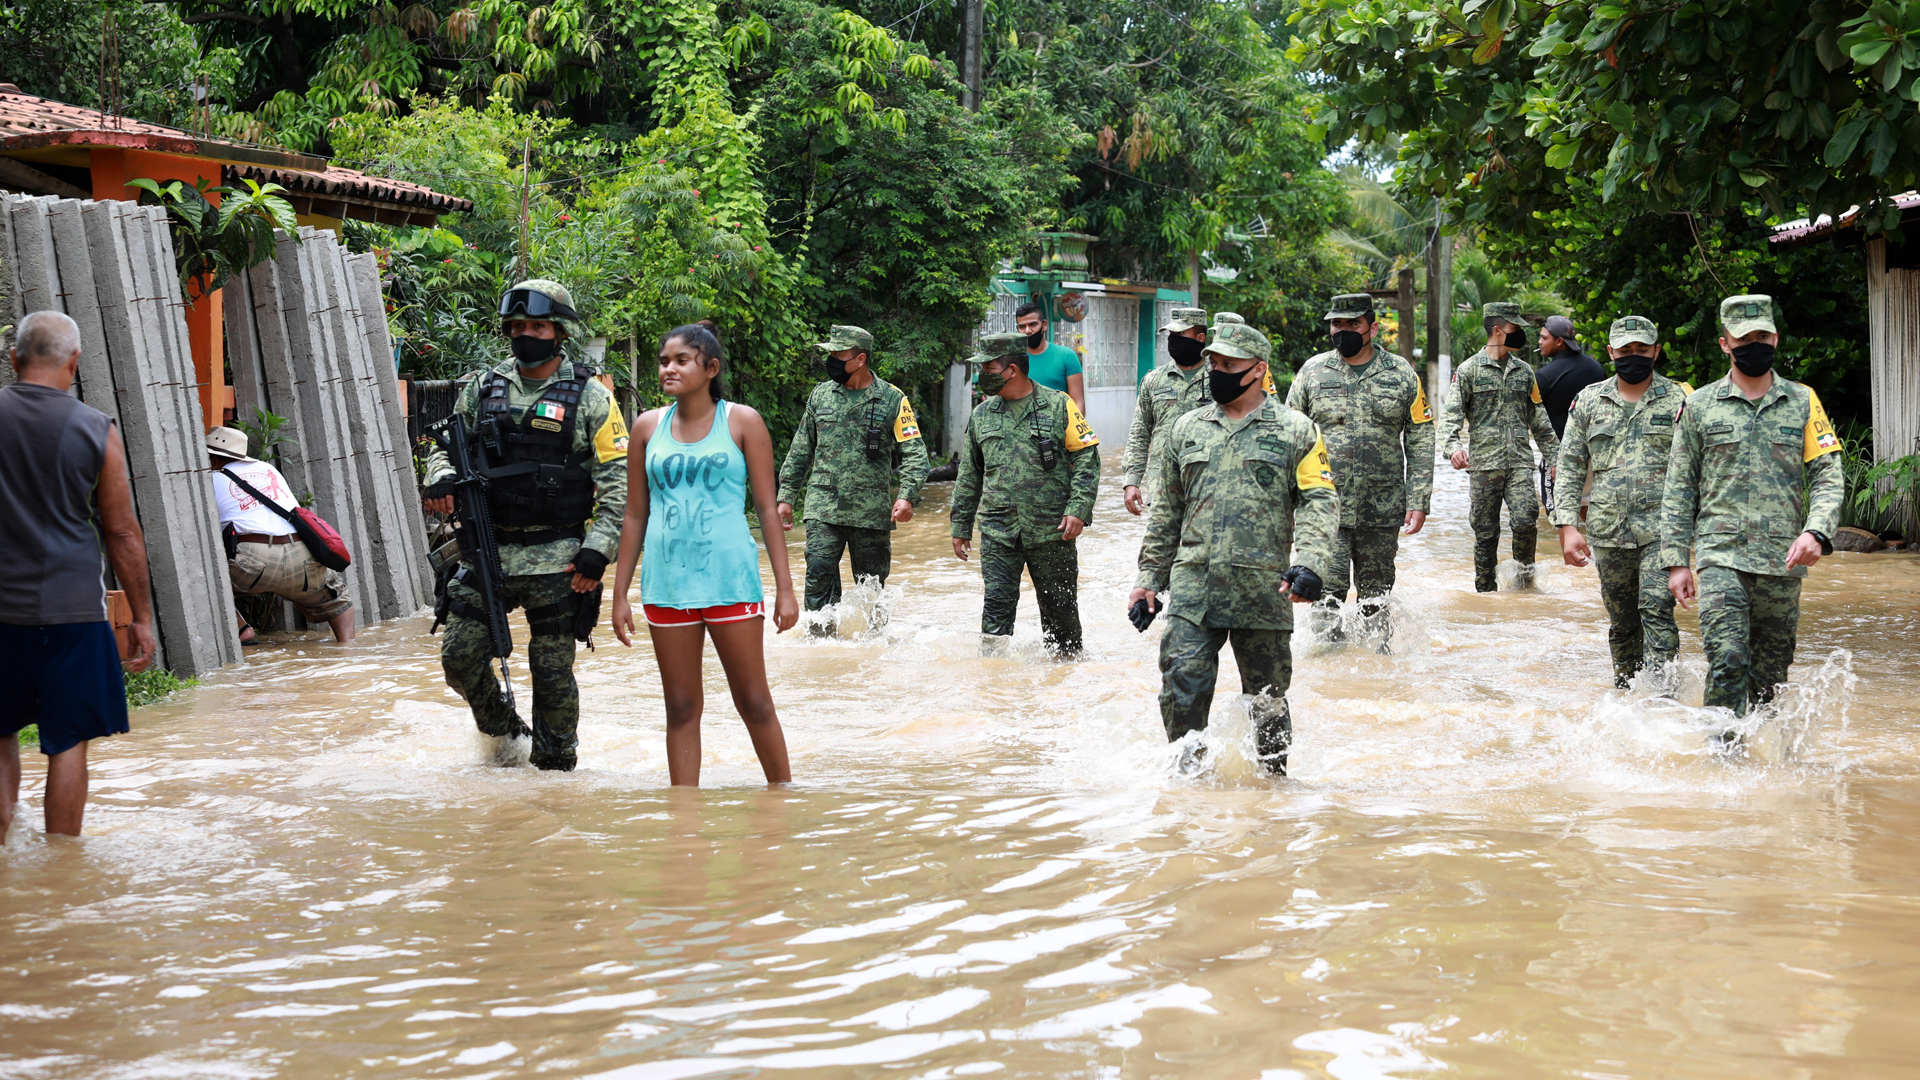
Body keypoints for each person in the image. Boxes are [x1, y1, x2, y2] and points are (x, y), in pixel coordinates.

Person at [422, 280, 627, 772]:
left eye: (537, 326)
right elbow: (443, 447)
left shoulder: (593, 398)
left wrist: (598, 551)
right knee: (459, 657)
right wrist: (441, 475)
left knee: (552, 672)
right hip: (487, 552)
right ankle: (507, 736)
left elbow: (619, 485)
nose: (526, 334)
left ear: (559, 332)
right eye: (517, 327)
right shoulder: (482, 388)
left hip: (559, 559)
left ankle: (555, 773)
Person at [1130, 321, 1338, 775]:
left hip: (1264, 588)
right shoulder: (1185, 430)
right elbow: (1166, 511)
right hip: (1194, 585)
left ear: (1259, 370)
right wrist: (1148, 580)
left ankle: (1273, 789)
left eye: (1229, 365)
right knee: (1181, 683)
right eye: (1214, 363)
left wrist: (1310, 564)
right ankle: (1189, 784)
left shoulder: (1297, 431)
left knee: (1267, 700)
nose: (1217, 372)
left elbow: (1320, 502)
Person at [611, 322, 797, 786]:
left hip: (730, 581)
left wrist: (785, 589)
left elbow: (767, 509)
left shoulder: (742, 422)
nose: (668, 368)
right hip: (667, 584)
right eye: (663, 360)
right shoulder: (646, 427)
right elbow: (635, 515)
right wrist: (619, 595)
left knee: (753, 700)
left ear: (710, 369)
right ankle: (684, 819)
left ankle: (784, 799)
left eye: (681, 360)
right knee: (680, 708)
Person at [0, 310, 156, 841]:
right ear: (74, 361)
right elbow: (123, 534)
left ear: (15, 358)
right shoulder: (96, 429)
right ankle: (62, 877)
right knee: (68, 745)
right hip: (74, 614)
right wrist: (142, 617)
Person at [1662, 295, 1843, 725]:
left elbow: (1828, 475)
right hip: (1719, 555)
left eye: (1762, 336)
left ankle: (1761, 771)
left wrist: (1816, 532)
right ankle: (1722, 762)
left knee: (1770, 677)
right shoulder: (1700, 405)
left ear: (1775, 338)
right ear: (1725, 343)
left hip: (1782, 560)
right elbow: (1679, 488)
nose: (1754, 344)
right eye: (1744, 338)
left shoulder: (1803, 401)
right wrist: (1675, 562)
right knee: (1727, 659)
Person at [1553, 316, 1692, 689]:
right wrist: (1568, 526)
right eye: (1626, 350)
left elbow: (1696, 468)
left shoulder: (1680, 400)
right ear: (1612, 352)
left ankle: (1662, 702)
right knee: (1623, 623)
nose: (1634, 356)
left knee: (1657, 612)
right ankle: (1628, 698)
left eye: (1642, 350)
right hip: (1608, 532)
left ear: (1656, 351)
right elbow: (1568, 466)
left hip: (1662, 530)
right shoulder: (1588, 401)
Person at [1285, 293, 1434, 639]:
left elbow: (1422, 438)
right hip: (1324, 509)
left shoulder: (1402, 374)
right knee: (1325, 600)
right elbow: (1290, 433)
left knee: (1376, 601)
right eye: (1337, 324)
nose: (1343, 331)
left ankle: (1375, 674)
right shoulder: (1312, 372)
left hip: (1381, 510)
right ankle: (1331, 677)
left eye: (1353, 324)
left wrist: (1419, 499)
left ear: (1372, 328)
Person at [951, 331, 1101, 655]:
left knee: (1061, 617)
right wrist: (960, 527)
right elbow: (969, 476)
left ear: (1012, 370)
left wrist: (1078, 508)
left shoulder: (1060, 405)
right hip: (998, 532)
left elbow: (1087, 458)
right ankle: (994, 688)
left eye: (988, 368)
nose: (981, 376)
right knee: (995, 617)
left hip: (1051, 531)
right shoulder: (982, 415)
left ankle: (1063, 691)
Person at [775, 325, 930, 620]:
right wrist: (786, 495)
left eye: (838, 353)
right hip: (823, 506)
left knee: (871, 590)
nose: (831, 358)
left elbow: (914, 453)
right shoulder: (820, 396)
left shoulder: (892, 400)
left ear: (860, 359)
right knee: (818, 575)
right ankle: (821, 649)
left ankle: (871, 657)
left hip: (869, 512)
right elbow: (800, 449)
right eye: (830, 352)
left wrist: (908, 496)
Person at [1441, 301, 1560, 592]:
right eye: (1514, 328)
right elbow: (1450, 418)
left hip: (1520, 462)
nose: (1519, 333)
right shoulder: (1468, 371)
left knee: (1525, 520)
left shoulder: (1525, 372)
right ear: (1497, 330)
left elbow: (1539, 418)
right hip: (1483, 466)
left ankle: (1524, 585)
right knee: (1485, 533)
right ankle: (1486, 593)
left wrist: (1556, 457)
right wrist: (1453, 447)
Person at [207, 426, 355, 643]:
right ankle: (348, 651)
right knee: (338, 598)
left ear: (213, 461)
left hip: (251, 561)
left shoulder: (210, 478)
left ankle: (241, 629)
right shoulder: (268, 468)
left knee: (206, 581)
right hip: (301, 558)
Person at [1122, 307, 1209, 516]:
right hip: (1161, 487)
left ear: (1200, 337)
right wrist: (1132, 481)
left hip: (1209, 487)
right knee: (1160, 548)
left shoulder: (1221, 379)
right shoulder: (1154, 380)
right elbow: (1139, 434)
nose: (1174, 340)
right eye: (1172, 335)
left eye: (1180, 335)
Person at [1013, 302, 1086, 414]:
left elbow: (1078, 403)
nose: (1027, 331)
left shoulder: (1066, 356)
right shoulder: (1012, 360)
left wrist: (1070, 429)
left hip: (1059, 428)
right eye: (1022, 326)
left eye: (1032, 324)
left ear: (1044, 325)